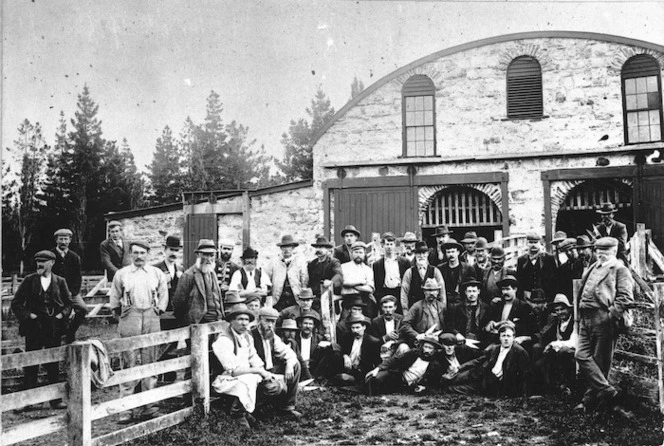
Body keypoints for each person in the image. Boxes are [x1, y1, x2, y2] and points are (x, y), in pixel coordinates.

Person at [211, 304, 302, 429]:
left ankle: (284, 408)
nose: (244, 323)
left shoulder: (246, 337)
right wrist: (259, 371)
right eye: (240, 319)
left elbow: (254, 358)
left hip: (249, 375)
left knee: (285, 374)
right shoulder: (224, 340)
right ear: (231, 321)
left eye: (247, 320)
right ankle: (238, 412)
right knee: (267, 385)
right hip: (229, 379)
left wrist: (266, 373)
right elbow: (233, 370)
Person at [109, 241, 169, 423]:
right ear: (131, 254)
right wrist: (120, 312)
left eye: (142, 253)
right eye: (135, 253)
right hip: (130, 317)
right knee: (129, 362)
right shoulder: (122, 274)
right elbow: (114, 297)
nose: (139, 256)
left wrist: (159, 309)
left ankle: (150, 408)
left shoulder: (156, 273)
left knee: (150, 361)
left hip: (151, 317)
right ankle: (126, 410)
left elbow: (164, 293)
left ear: (148, 254)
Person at [574, 237, 634, 418]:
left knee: (600, 362)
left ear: (614, 251)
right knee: (581, 355)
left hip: (604, 319)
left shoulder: (620, 269)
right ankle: (608, 392)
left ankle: (590, 402)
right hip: (586, 318)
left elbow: (625, 297)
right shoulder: (593, 267)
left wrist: (610, 315)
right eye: (598, 251)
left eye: (605, 252)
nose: (600, 254)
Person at [11, 250, 73, 409]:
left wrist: (61, 316)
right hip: (34, 328)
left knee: (53, 363)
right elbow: (16, 303)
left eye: (43, 261)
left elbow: (68, 304)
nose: (39, 263)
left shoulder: (60, 281)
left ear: (51, 263)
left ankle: (55, 400)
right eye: (38, 260)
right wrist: (28, 316)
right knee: (31, 363)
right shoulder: (29, 280)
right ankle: (28, 401)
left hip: (53, 328)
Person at [250, 307, 303, 409]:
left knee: (295, 365)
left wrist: (289, 365)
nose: (270, 325)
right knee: (273, 387)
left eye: (273, 322)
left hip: (269, 371)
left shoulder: (272, 336)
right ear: (259, 320)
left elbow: (289, 353)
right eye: (267, 321)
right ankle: (256, 409)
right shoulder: (250, 336)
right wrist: (276, 378)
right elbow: (252, 364)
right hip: (256, 374)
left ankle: (287, 407)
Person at [316, 313, 381, 390]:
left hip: (360, 372)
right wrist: (345, 356)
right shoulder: (347, 336)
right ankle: (320, 378)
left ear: (364, 327)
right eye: (353, 328)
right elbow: (341, 349)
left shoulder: (372, 342)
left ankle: (343, 381)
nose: (355, 330)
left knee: (345, 379)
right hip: (345, 366)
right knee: (332, 352)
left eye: (357, 327)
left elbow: (375, 363)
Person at [365, 335, 444, 395]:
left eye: (430, 348)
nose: (426, 350)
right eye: (425, 347)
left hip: (410, 387)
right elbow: (394, 360)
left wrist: (425, 388)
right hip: (397, 378)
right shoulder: (414, 353)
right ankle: (368, 397)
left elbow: (435, 384)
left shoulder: (435, 365)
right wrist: (377, 369)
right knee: (375, 378)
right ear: (422, 346)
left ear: (434, 350)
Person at [173, 239, 225, 327]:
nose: (208, 259)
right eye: (205, 255)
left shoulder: (212, 273)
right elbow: (178, 305)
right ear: (198, 255)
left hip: (217, 321)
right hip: (198, 323)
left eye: (211, 255)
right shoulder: (188, 275)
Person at [533, 294, 577, 395]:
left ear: (569, 309)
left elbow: (574, 342)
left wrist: (553, 344)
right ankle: (549, 387)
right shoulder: (556, 321)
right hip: (556, 352)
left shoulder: (575, 321)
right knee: (538, 363)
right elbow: (543, 335)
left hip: (570, 352)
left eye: (562, 309)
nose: (559, 312)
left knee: (563, 352)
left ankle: (567, 386)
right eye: (557, 310)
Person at [50, 228, 88, 343]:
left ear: (70, 240)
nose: (63, 242)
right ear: (56, 240)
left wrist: (72, 292)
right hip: (54, 292)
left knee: (82, 309)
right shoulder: (50, 255)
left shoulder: (74, 257)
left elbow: (78, 277)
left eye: (66, 239)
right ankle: (56, 337)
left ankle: (70, 332)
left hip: (71, 292)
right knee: (58, 314)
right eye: (61, 239)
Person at [485, 275, 535, 349]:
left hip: (514, 342)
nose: (505, 292)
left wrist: (514, 326)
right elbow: (491, 323)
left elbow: (529, 329)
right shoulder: (498, 305)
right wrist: (491, 323)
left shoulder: (523, 306)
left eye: (508, 289)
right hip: (497, 340)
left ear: (515, 289)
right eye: (503, 289)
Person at [264, 234, 308, 311]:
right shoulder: (274, 262)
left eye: (289, 246)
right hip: (278, 300)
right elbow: (266, 280)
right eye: (284, 247)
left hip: (295, 300)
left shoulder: (299, 262)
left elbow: (304, 281)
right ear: (281, 248)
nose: (286, 249)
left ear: (293, 248)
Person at [400, 241, 446, 313]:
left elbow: (442, 292)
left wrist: (442, 309)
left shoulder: (435, 271)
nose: (421, 256)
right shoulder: (409, 272)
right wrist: (405, 310)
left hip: (432, 309)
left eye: (424, 253)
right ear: (415, 254)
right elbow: (404, 293)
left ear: (427, 254)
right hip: (414, 309)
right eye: (419, 253)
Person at [401, 278, 447, 348]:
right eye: (428, 290)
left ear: (438, 292)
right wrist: (417, 335)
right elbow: (405, 324)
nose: (431, 293)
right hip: (423, 340)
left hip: (439, 340)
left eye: (434, 290)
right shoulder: (417, 306)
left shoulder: (442, 307)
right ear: (424, 292)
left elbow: (448, 326)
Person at [372, 232, 411, 314]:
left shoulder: (404, 262)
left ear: (394, 245)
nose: (389, 247)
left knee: (400, 317)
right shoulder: (377, 264)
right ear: (383, 246)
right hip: (385, 292)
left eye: (391, 244)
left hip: (399, 292)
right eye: (387, 244)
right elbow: (376, 283)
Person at [445, 279, 491, 348]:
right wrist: (457, 334)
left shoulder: (485, 308)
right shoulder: (456, 307)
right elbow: (449, 325)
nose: (472, 294)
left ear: (478, 292)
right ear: (465, 292)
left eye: (474, 291)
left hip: (480, 342)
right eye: (469, 291)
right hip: (462, 341)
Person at [152, 235, 184, 332]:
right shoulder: (155, 269)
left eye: (176, 250)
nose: (173, 253)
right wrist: (162, 282)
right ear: (165, 249)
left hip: (176, 313)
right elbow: (150, 290)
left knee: (175, 342)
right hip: (161, 313)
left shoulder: (180, 269)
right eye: (171, 250)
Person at [515, 232, 558, 304]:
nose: (533, 245)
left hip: (545, 297)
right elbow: (519, 281)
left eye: (535, 242)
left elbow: (554, 280)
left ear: (540, 243)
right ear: (527, 244)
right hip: (528, 299)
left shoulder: (549, 258)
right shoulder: (521, 260)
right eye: (531, 242)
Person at [340, 241, 376, 317]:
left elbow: (370, 288)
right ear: (351, 253)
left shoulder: (368, 269)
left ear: (364, 254)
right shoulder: (344, 267)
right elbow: (344, 282)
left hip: (364, 300)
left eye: (360, 252)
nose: (358, 255)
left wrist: (352, 285)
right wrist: (361, 282)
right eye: (356, 252)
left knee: (368, 323)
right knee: (343, 324)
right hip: (348, 300)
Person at [306, 236, 342, 312]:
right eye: (317, 247)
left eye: (321, 247)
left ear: (327, 249)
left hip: (328, 298)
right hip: (314, 300)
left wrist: (331, 282)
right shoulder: (312, 264)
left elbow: (338, 275)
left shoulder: (334, 262)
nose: (318, 250)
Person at [438, 238, 476, 306]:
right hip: (446, 303)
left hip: (463, 304)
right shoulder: (440, 269)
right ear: (445, 254)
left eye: (453, 251)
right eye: (448, 252)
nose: (451, 254)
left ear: (458, 252)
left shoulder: (468, 268)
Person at [555, 238, 583, 306]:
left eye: (571, 250)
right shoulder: (563, 268)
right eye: (566, 251)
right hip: (568, 302)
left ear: (577, 249)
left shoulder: (583, 265)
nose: (569, 253)